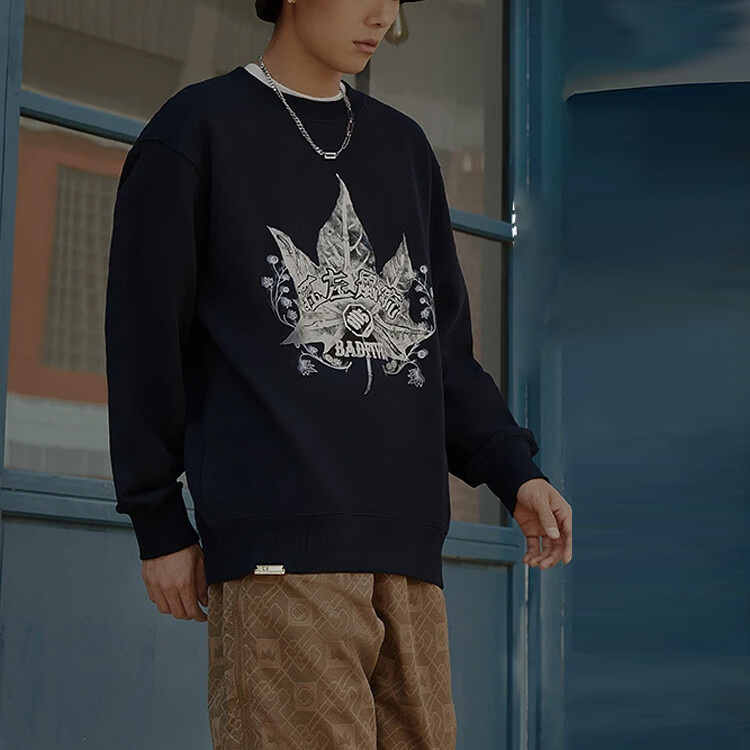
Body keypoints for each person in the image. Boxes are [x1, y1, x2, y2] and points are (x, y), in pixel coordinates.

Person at [104, 0, 573, 747]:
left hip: (407, 557)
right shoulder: (197, 131)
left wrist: (515, 471)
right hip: (279, 555)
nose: (383, 14)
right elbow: (143, 339)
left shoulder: (403, 149)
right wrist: (157, 517)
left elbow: (440, 352)